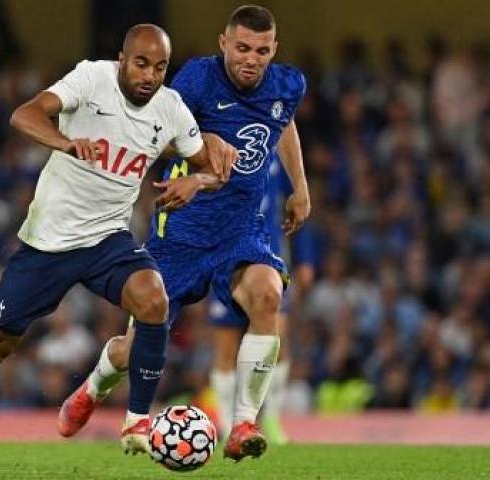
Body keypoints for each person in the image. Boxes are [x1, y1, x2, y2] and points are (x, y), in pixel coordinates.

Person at [0, 24, 237, 470]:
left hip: (108, 239)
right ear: (122, 59)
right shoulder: (90, 79)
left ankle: (136, 421)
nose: (150, 75)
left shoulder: (172, 110)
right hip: (49, 243)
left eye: (160, 67)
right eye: (141, 63)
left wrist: (196, 181)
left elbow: (214, 167)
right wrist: (66, 143)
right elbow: (23, 115)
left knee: (153, 298)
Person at [59, 5, 310, 462]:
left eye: (261, 51)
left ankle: (244, 423)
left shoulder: (287, 84)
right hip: (179, 235)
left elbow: (283, 123)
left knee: (267, 295)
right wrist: (197, 156)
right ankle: (94, 385)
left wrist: (300, 187)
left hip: (239, 231)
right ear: (223, 44)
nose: (250, 59)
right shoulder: (197, 79)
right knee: (134, 349)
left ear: (274, 50)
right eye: (241, 49)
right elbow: (159, 128)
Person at [209, 160, 318, 445]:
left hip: (268, 259)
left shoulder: (280, 159)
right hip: (226, 259)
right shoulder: (223, 145)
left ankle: (271, 418)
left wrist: (305, 258)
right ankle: (225, 424)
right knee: (226, 347)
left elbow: (296, 203)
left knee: (278, 340)